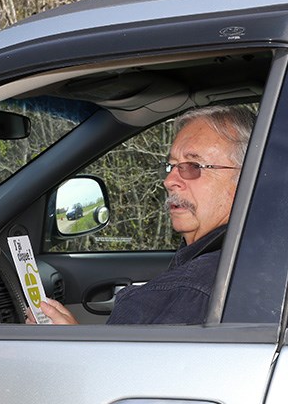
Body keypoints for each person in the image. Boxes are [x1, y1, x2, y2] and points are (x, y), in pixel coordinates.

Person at [36, 105, 255, 325]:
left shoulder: (186, 292)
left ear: (247, 178)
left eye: (193, 166)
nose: (169, 181)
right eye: (171, 166)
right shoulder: (253, 264)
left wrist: (72, 340)